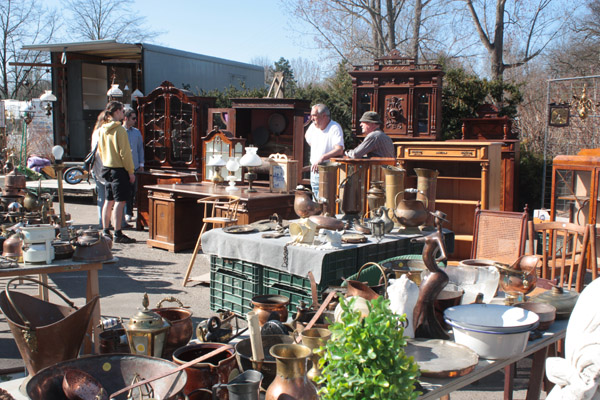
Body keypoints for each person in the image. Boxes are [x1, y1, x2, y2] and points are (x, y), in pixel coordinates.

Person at [97, 101, 136, 244]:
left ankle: (105, 229)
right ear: (117, 112)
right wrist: (130, 171)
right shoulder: (119, 130)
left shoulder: (102, 129)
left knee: (109, 200)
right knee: (120, 202)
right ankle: (118, 232)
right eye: (122, 111)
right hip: (119, 169)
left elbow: (100, 151)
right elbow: (125, 153)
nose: (123, 113)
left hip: (106, 167)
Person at [305, 104, 344, 197]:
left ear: (324, 116)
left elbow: (339, 149)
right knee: (316, 200)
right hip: (314, 171)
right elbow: (307, 138)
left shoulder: (334, 128)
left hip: (328, 171)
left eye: (314, 115)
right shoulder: (312, 127)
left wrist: (322, 157)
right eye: (311, 116)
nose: (312, 119)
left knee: (326, 201)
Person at [123, 108, 144, 223]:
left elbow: (140, 148)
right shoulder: (120, 131)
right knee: (125, 192)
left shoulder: (136, 132)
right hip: (123, 167)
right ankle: (126, 213)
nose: (135, 120)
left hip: (135, 166)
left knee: (133, 191)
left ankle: (129, 212)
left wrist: (141, 163)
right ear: (126, 118)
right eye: (133, 118)